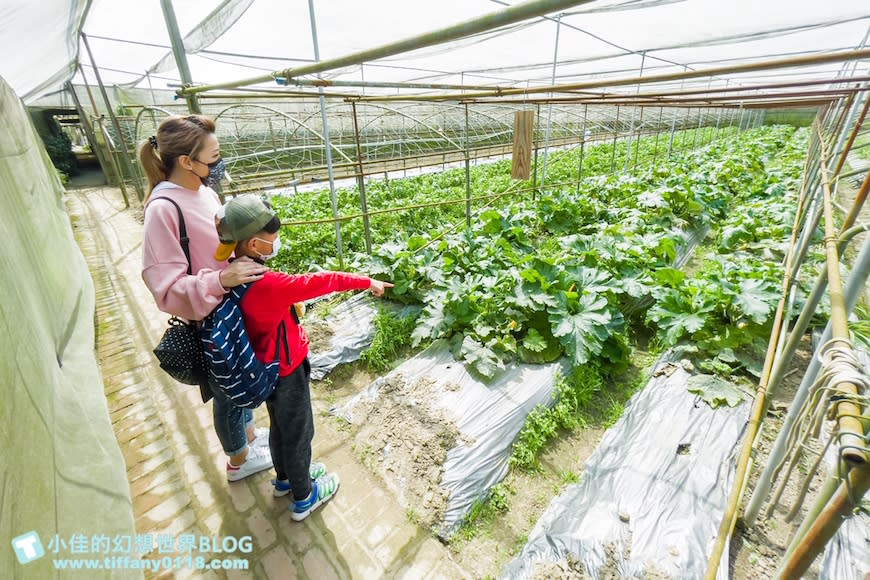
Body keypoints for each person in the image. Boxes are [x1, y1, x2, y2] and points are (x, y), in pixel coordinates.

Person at [213, 194, 393, 521]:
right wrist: (367, 281)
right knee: (299, 434)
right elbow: (323, 281)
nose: (276, 244)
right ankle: (304, 496)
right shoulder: (268, 284)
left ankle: (284, 479)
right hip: (287, 368)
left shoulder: (234, 273)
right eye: (272, 241)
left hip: (265, 368)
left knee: (281, 428)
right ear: (254, 244)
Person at [138, 115, 273, 483]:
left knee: (241, 380)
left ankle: (248, 438)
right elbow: (165, 289)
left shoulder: (205, 193)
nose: (219, 163)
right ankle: (238, 461)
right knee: (227, 393)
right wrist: (221, 279)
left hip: (231, 308)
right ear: (187, 161)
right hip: (210, 320)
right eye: (213, 157)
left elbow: (219, 247)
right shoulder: (163, 209)